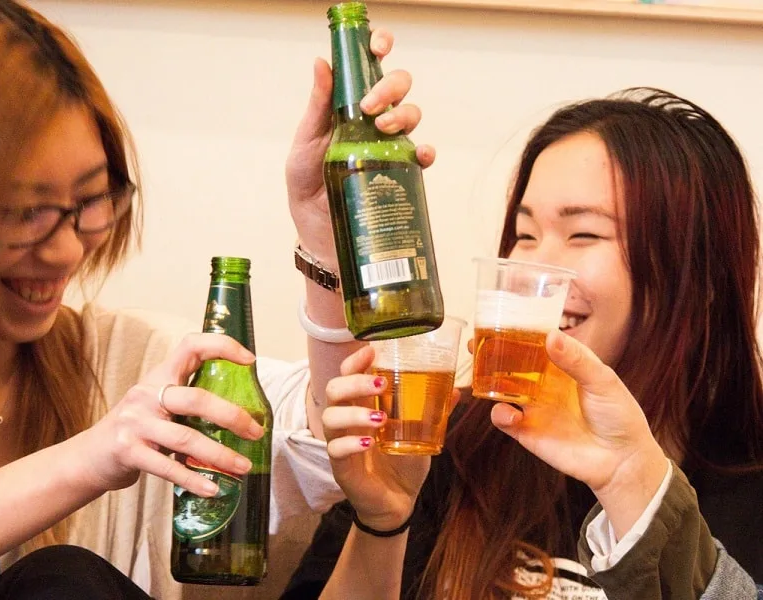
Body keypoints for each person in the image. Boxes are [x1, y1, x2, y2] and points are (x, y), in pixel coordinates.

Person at [0, 0, 430, 598]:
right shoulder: (125, 420)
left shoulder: (120, 362)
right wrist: (90, 459)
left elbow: (317, 440)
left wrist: (323, 229)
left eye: (89, 202)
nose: (63, 252)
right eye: (25, 213)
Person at [283, 88, 763, 598]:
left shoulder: (747, 490)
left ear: (700, 278)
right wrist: (382, 521)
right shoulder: (438, 441)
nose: (533, 265)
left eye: (583, 235)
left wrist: (633, 484)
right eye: (525, 233)